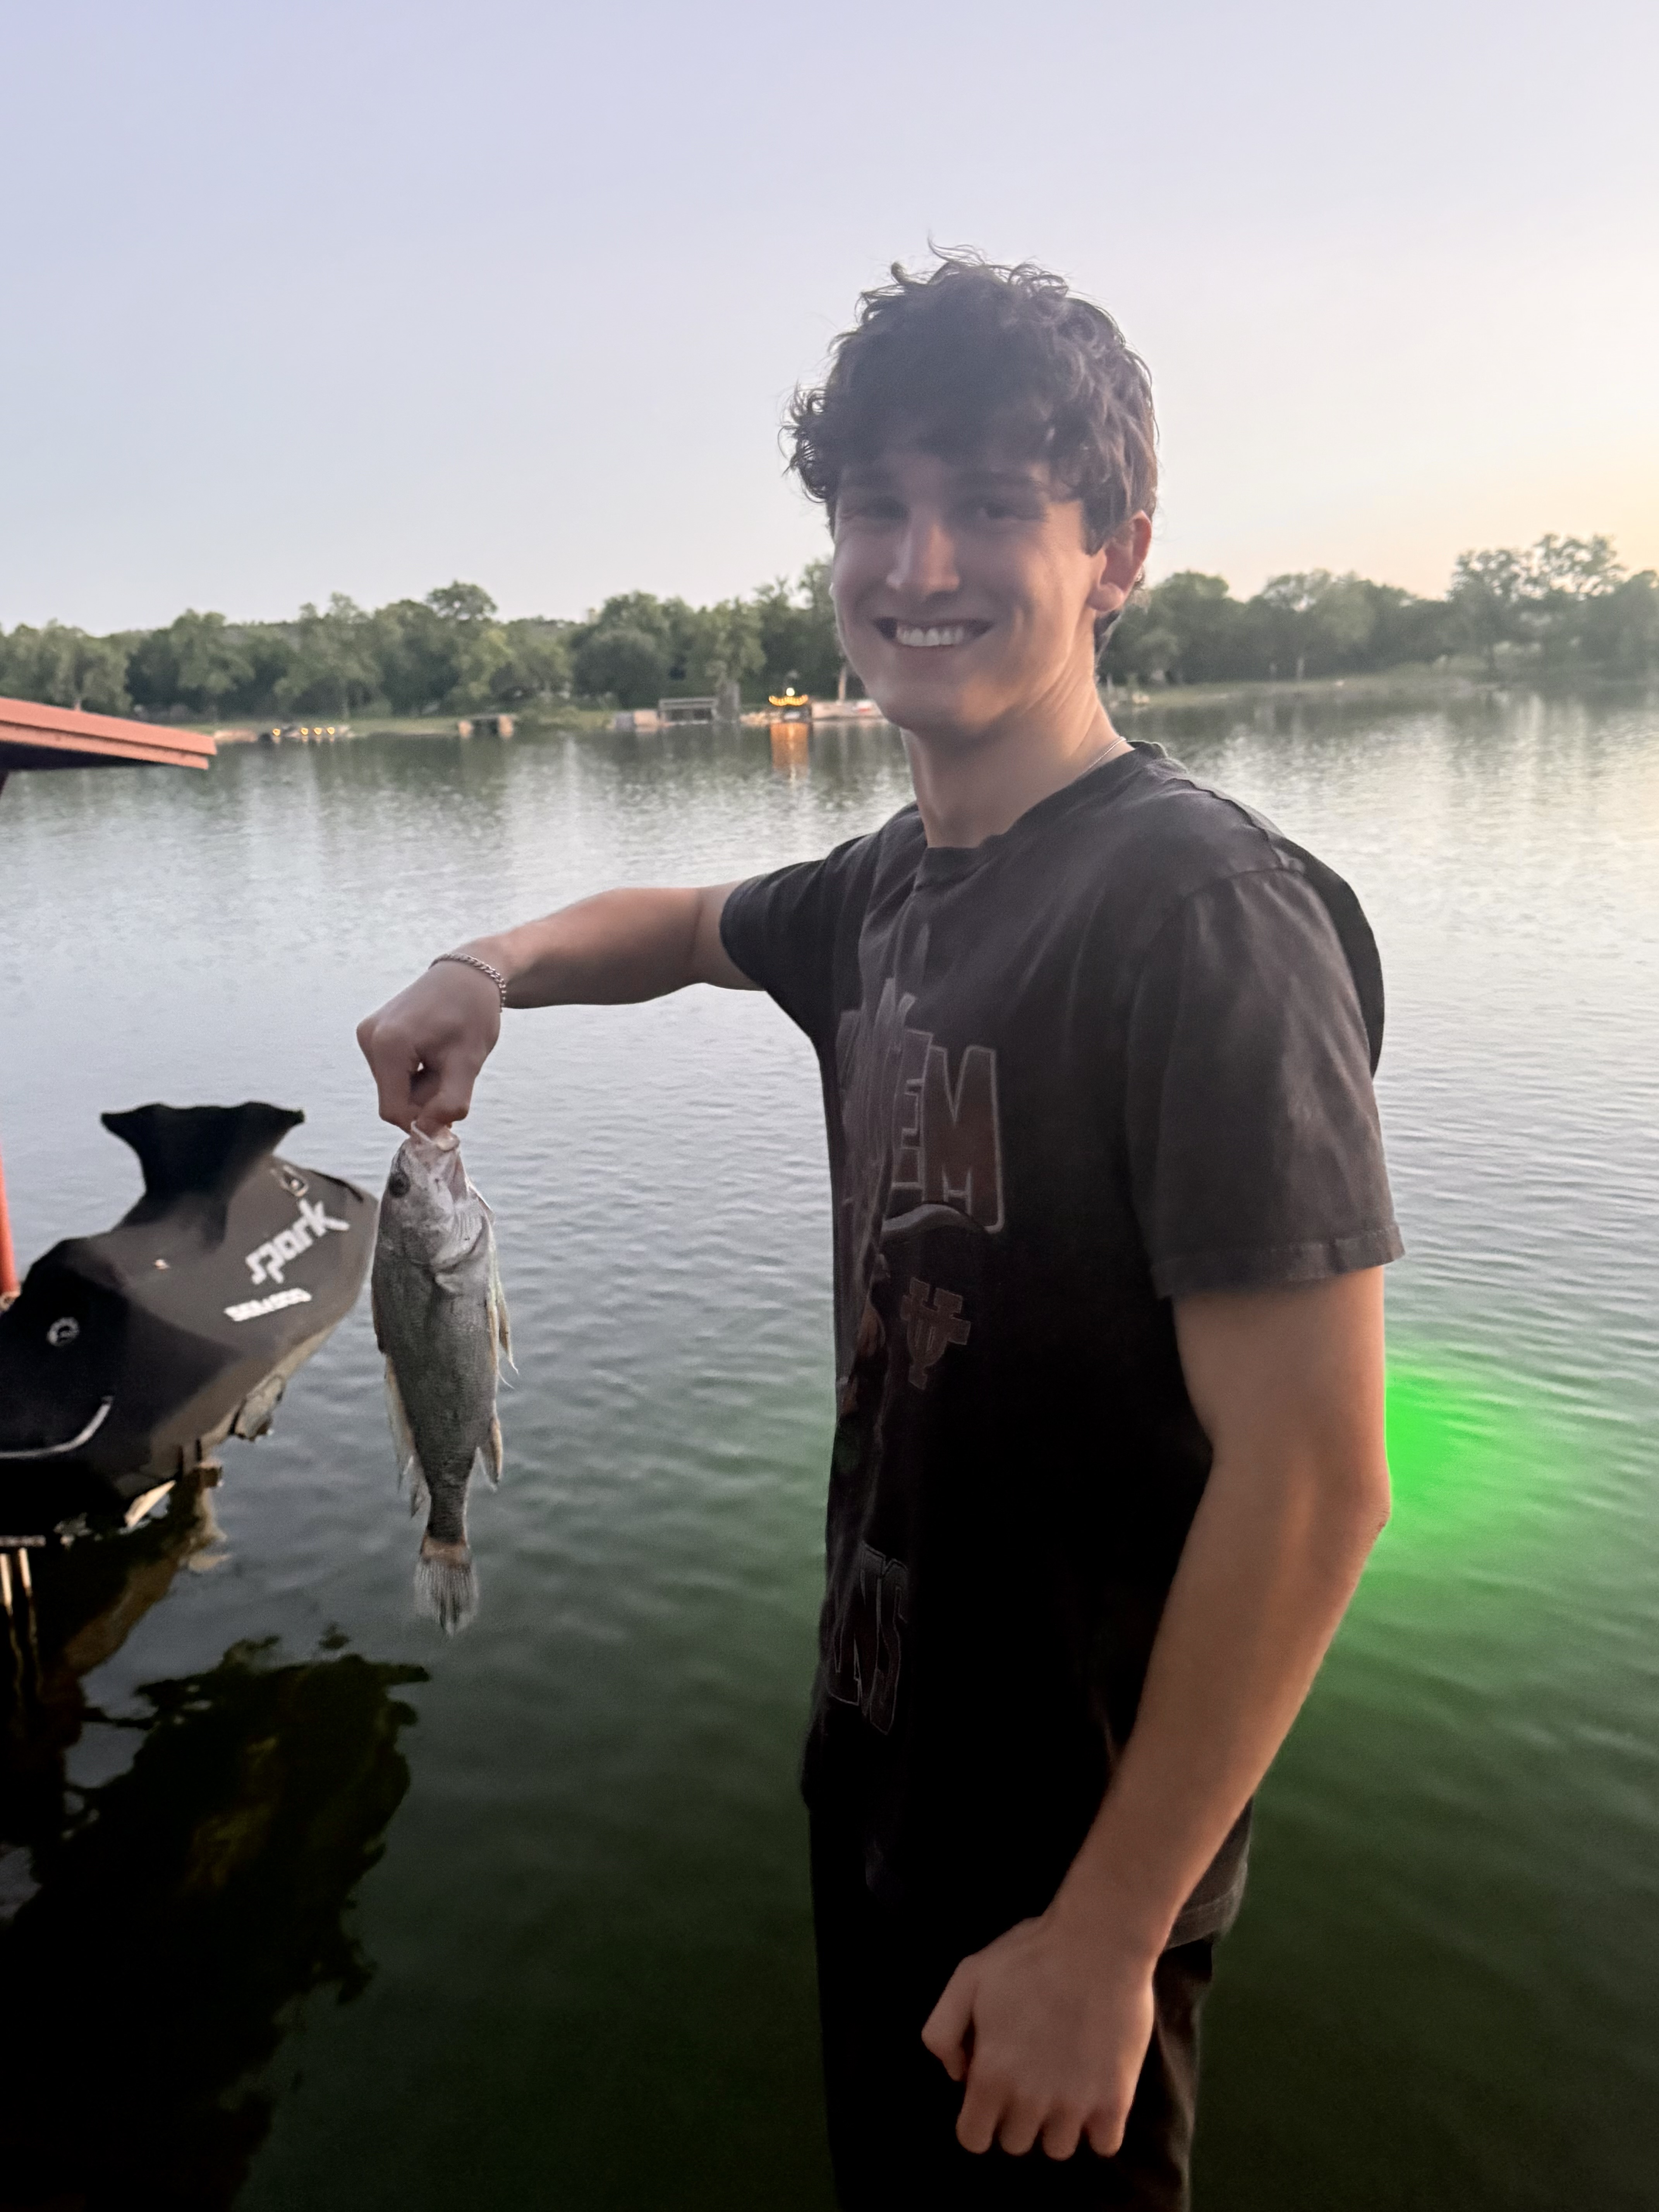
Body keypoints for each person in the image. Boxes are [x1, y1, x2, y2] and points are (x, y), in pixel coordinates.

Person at [357, 255, 1401, 2210]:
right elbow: (676, 925)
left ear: (1117, 554)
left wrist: (1106, 1937)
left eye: (997, 503)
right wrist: (479, 962)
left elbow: (1318, 1481)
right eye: (874, 506)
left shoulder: (1201, 917)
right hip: (885, 1794)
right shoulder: (892, 891)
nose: (920, 559)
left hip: (1070, 1882)